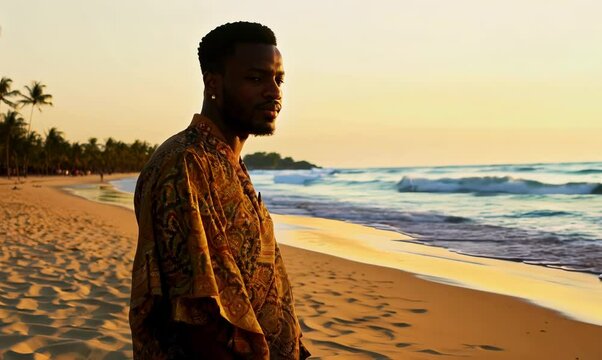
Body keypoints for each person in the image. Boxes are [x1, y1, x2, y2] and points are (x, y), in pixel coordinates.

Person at [129, 22, 310, 359]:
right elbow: (197, 317)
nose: (274, 92)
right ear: (213, 84)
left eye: (278, 79)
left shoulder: (228, 162)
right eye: (255, 79)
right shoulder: (185, 164)